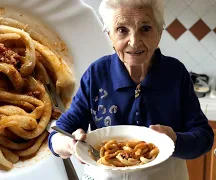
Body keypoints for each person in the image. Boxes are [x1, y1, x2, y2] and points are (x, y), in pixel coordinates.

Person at [47, 0, 214, 179]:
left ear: (159, 32)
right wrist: (68, 144)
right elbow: (60, 131)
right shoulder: (97, 73)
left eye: (145, 28)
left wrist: (175, 140)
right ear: (109, 34)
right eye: (122, 30)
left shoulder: (175, 73)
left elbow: (204, 137)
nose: (134, 42)